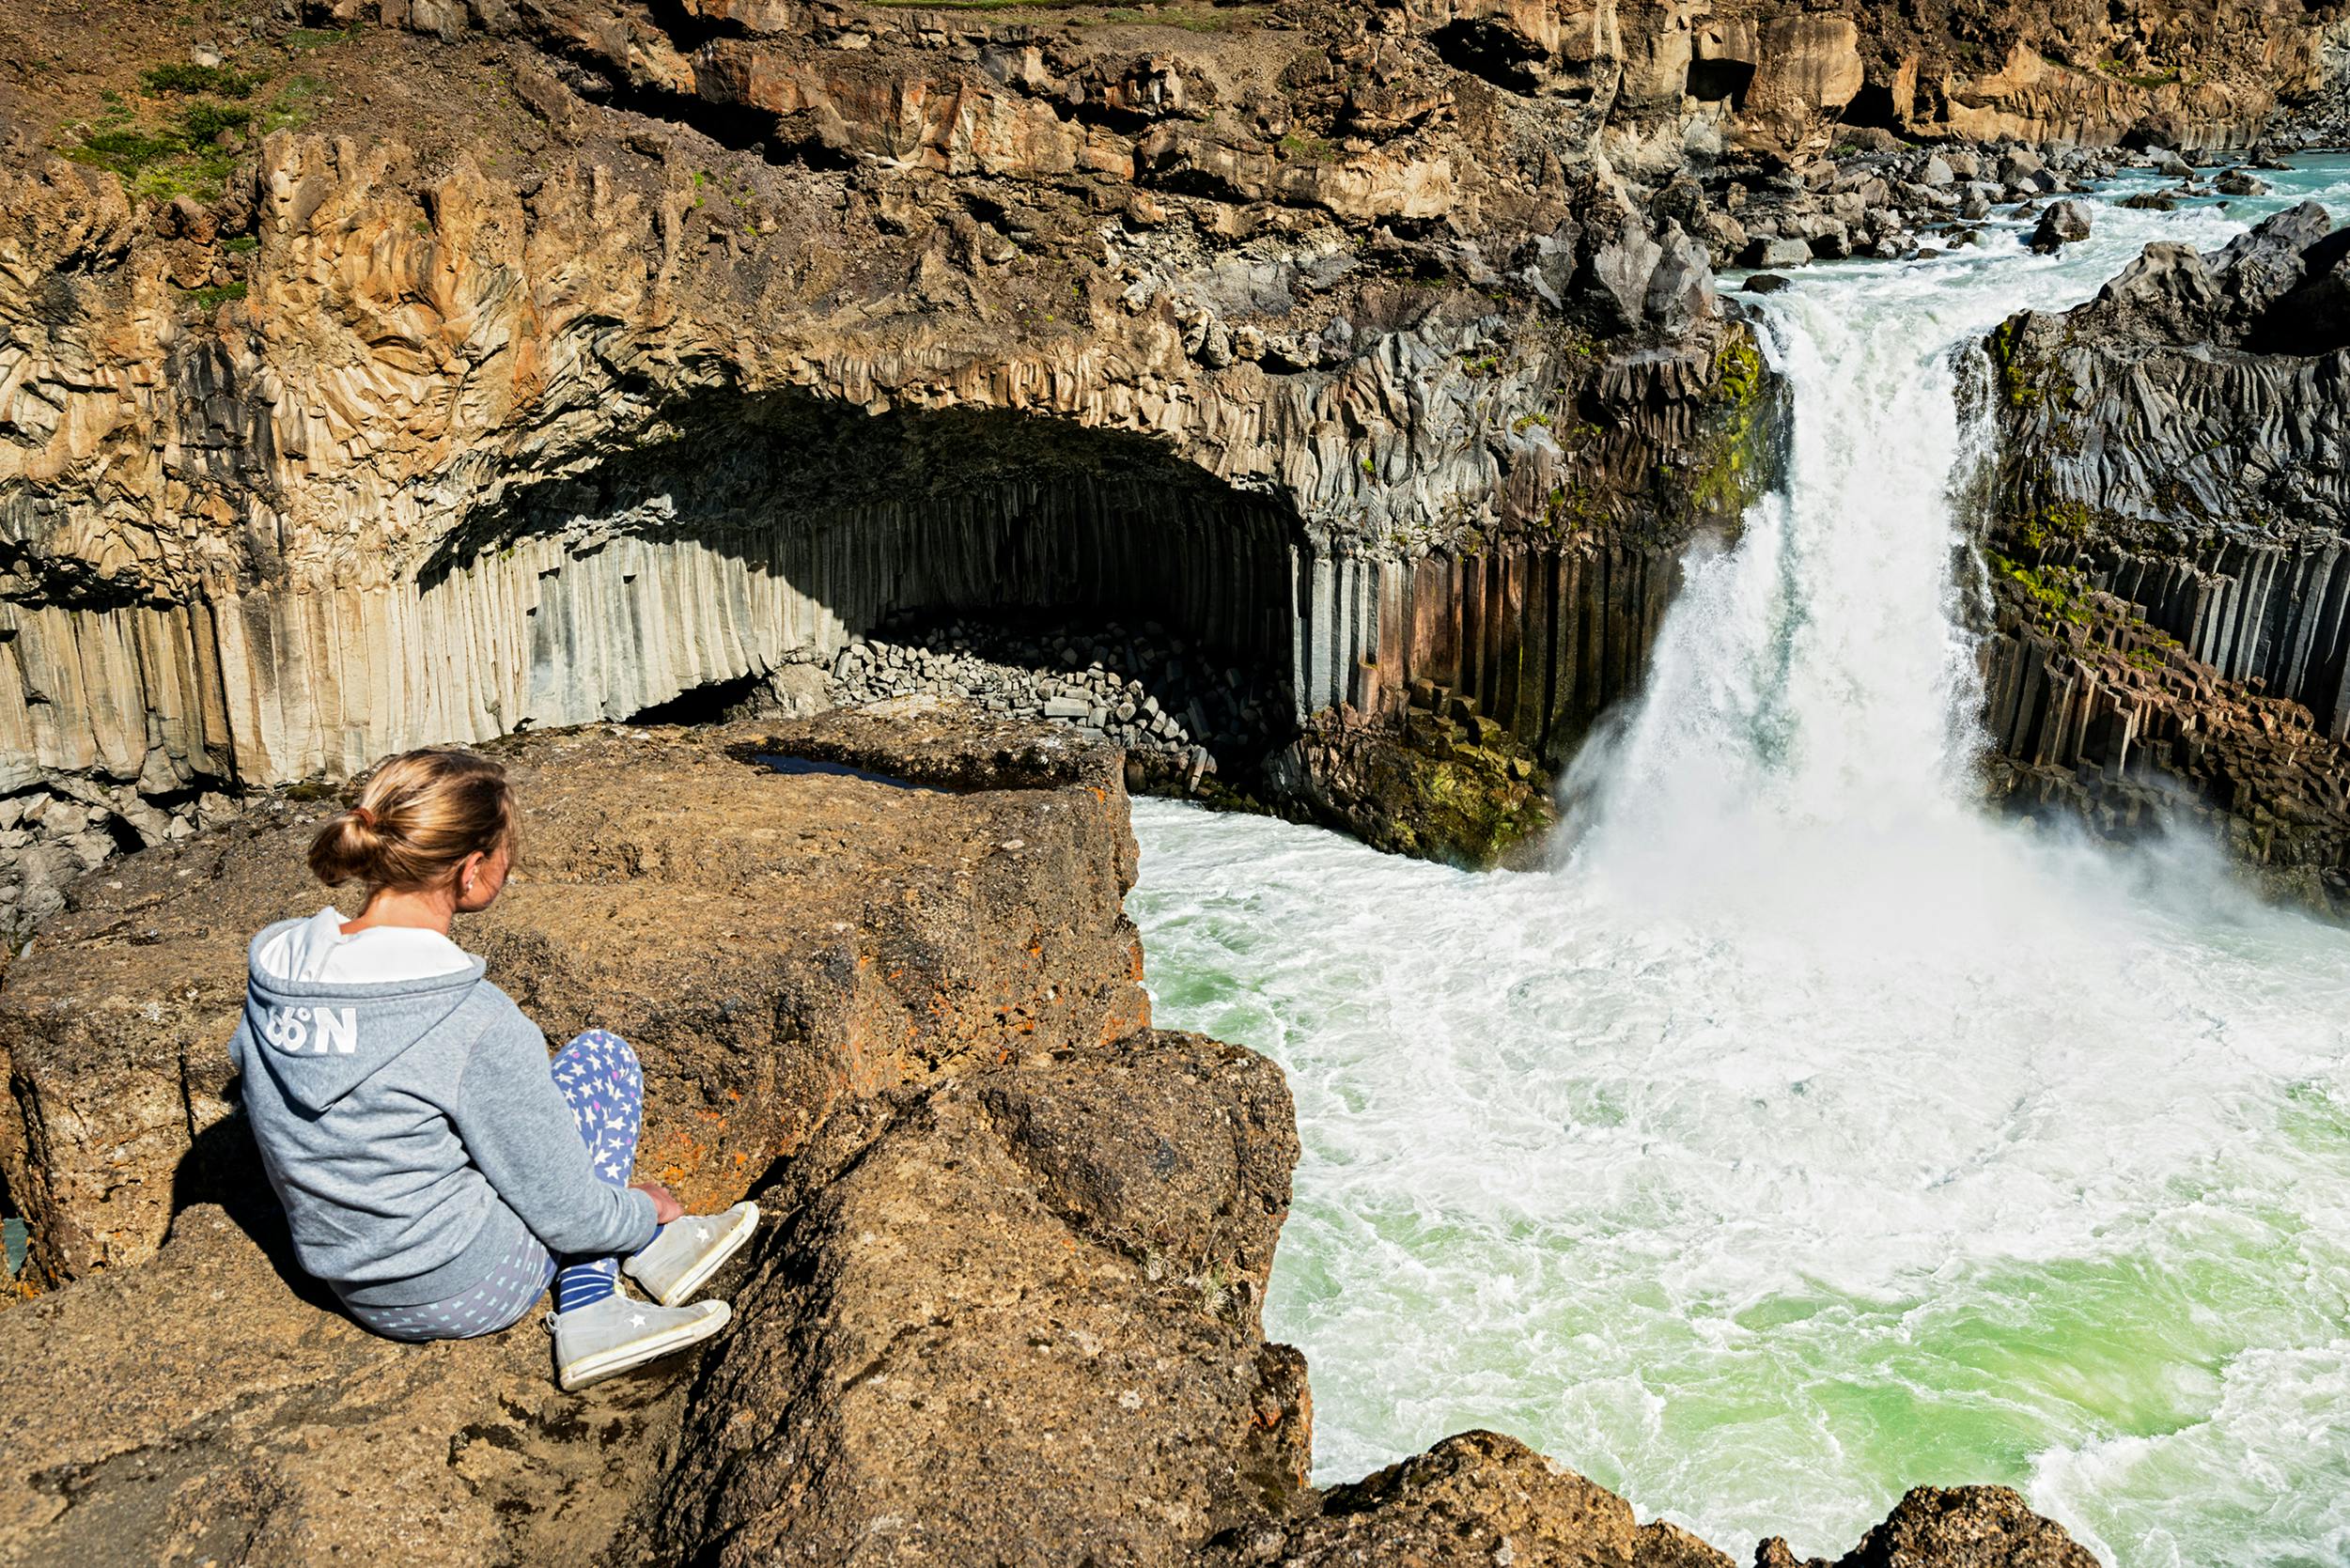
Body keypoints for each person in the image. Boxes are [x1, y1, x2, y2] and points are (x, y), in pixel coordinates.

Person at [226, 747, 758, 1389]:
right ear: (471, 870)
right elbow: (564, 1210)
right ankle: (595, 1302)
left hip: (349, 1280)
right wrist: (642, 1211)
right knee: (601, 1061)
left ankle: (654, 1258)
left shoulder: (279, 968)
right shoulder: (468, 1017)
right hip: (467, 1284)